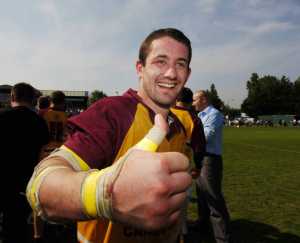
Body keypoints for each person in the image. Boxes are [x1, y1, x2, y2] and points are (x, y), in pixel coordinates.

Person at [26, 28, 206, 243]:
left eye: (180, 64)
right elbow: (41, 186)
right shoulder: (113, 113)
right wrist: (105, 194)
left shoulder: (179, 127)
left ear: (188, 74)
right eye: (161, 61)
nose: (171, 73)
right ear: (140, 68)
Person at [0, 82, 49, 243]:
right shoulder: (40, 123)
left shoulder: (3, 117)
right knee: (16, 229)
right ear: (32, 100)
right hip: (25, 184)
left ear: (13, 97)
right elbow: (43, 156)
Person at [192, 90, 231, 243]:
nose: (193, 103)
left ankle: (222, 237)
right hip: (200, 157)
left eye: (195, 100)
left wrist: (188, 139)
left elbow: (207, 135)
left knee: (213, 197)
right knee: (201, 193)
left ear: (204, 99)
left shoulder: (214, 114)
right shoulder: (200, 115)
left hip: (210, 159)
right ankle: (203, 224)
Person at [171, 87, 205, 240]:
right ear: (190, 101)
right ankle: (182, 233)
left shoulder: (163, 113)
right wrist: (198, 166)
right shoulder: (194, 119)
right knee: (181, 205)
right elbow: (199, 147)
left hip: (160, 164)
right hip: (182, 166)